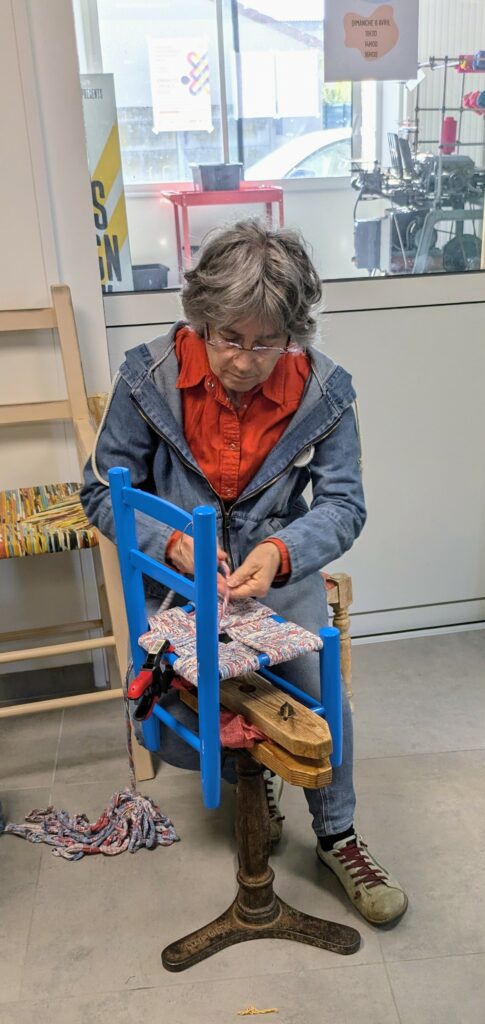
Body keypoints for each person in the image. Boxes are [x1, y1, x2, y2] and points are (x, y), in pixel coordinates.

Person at [81, 219, 407, 926]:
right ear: (200, 318)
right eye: (228, 338)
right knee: (175, 702)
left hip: (274, 568)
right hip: (179, 573)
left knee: (317, 690)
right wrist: (170, 542)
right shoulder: (146, 378)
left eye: (267, 342)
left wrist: (283, 553)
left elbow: (344, 504)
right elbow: (101, 491)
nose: (244, 360)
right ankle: (251, 782)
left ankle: (338, 835)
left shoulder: (324, 390)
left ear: (294, 332)